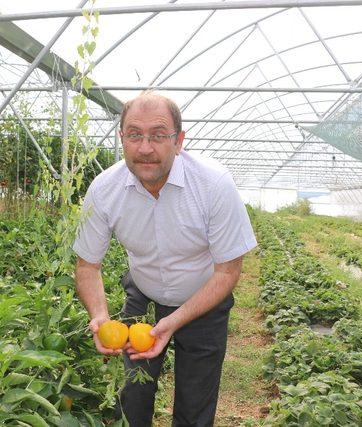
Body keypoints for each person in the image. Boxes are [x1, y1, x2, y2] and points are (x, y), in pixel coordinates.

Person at [73, 92, 257, 426]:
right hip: (142, 291)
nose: (145, 147)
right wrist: (99, 316)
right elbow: (88, 265)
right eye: (134, 135)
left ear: (179, 141)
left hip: (202, 297)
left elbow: (229, 270)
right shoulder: (104, 189)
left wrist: (175, 320)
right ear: (122, 139)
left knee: (195, 403)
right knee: (132, 392)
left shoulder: (213, 185)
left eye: (158, 135)